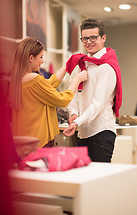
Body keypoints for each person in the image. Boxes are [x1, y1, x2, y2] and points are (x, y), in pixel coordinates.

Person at [9, 37, 88, 147]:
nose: (42, 61)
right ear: (31, 58)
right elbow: (62, 100)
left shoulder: (19, 79)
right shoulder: (34, 79)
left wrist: (68, 64)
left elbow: (48, 84)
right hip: (38, 141)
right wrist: (77, 79)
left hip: (26, 140)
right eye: (41, 57)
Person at [63, 18, 122, 163]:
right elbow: (76, 94)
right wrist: (74, 113)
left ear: (103, 38)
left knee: (100, 182)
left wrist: (77, 121)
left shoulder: (107, 66)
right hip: (83, 131)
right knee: (86, 179)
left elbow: (98, 104)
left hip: (101, 131)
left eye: (93, 37)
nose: (88, 42)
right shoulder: (83, 63)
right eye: (85, 38)